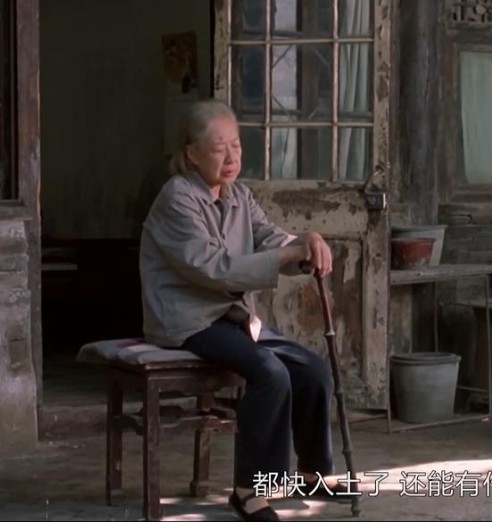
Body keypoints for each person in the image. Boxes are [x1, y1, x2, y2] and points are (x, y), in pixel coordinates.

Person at [139, 99, 350, 521]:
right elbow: (213, 269)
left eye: (236, 145)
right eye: (219, 149)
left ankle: (311, 473)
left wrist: (304, 243)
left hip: (231, 316)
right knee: (270, 373)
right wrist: (287, 255)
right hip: (188, 319)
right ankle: (250, 491)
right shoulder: (177, 198)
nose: (232, 157)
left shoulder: (238, 194)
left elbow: (270, 237)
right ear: (191, 153)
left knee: (312, 370)